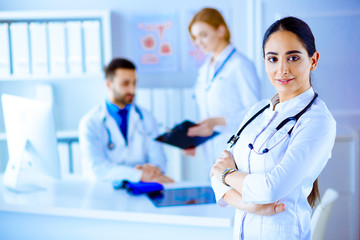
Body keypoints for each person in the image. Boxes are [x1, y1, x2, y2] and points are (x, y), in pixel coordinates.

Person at [210, 16, 336, 239]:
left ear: (313, 60)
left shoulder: (317, 121)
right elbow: (213, 174)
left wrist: (227, 174)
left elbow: (270, 188)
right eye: (273, 59)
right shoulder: (257, 111)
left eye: (293, 58)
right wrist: (251, 206)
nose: (282, 69)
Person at [186, 8, 261, 176]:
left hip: (237, 153)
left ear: (221, 30)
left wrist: (217, 122)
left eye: (203, 35)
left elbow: (256, 114)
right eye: (195, 38)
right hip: (212, 153)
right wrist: (192, 139)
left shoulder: (240, 65)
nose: (199, 42)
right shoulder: (205, 68)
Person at [79, 58, 173, 184]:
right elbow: (98, 169)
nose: (132, 90)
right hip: (106, 191)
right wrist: (138, 174)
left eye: (134, 83)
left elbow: (159, 160)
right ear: (109, 84)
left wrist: (155, 169)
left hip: (143, 189)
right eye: (125, 83)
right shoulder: (91, 122)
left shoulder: (146, 118)